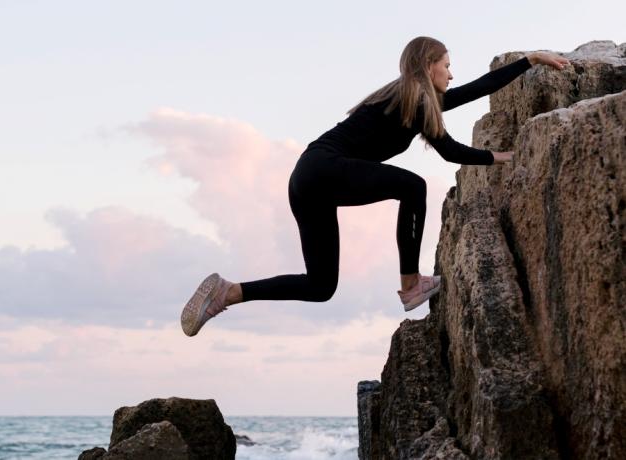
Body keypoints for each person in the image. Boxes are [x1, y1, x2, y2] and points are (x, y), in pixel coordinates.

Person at [181, 36, 569, 337]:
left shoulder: (410, 97)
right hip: (323, 169)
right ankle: (411, 283)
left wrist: (530, 60)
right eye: (447, 66)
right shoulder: (413, 97)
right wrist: (497, 157)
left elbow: (476, 89)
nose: (451, 75)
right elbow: (449, 151)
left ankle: (228, 292)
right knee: (413, 186)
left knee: (320, 286)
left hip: (308, 180)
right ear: (427, 65)